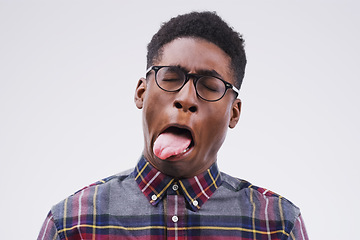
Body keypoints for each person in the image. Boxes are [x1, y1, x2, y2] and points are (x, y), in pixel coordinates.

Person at [38, 11, 309, 240]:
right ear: (141, 93)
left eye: (209, 86)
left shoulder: (277, 226)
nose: (186, 99)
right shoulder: (73, 224)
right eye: (170, 78)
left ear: (233, 113)